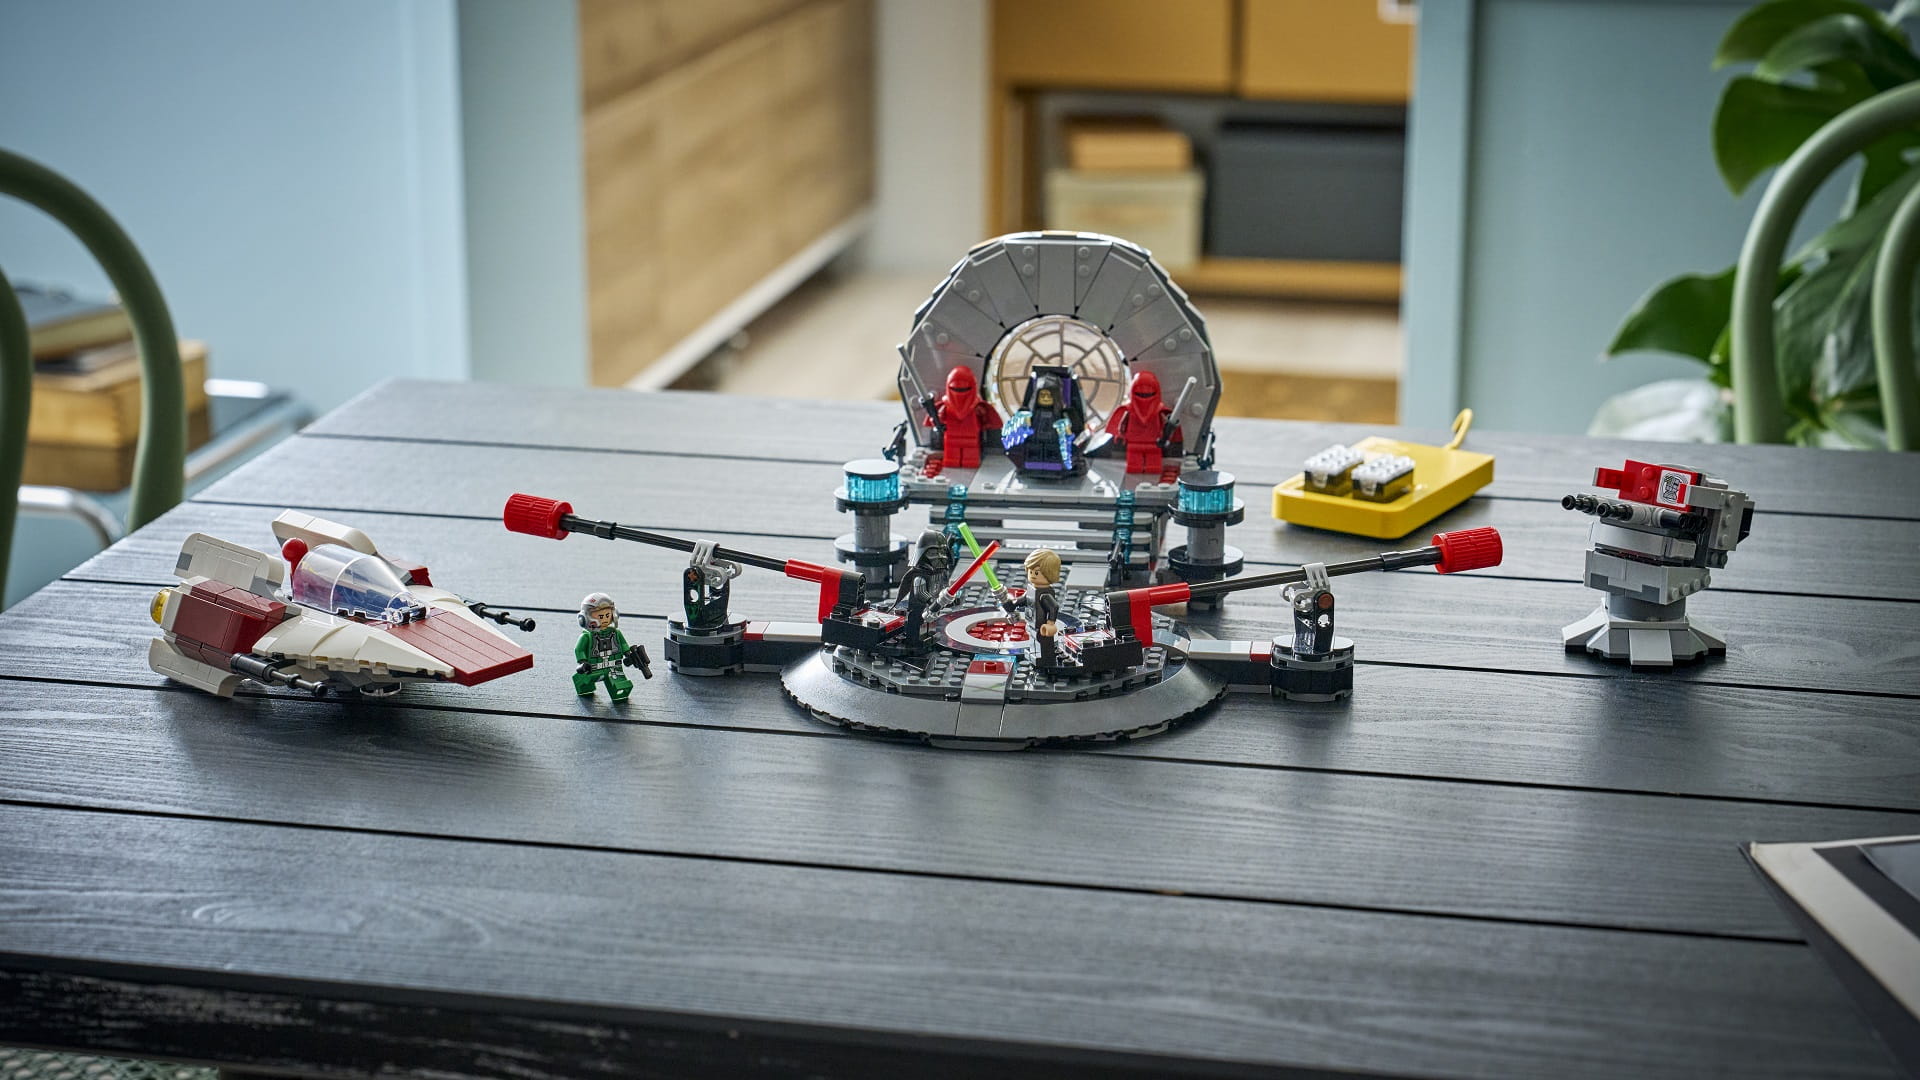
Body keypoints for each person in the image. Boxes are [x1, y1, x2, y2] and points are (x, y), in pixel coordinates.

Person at [573, 592, 653, 700]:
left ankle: (618, 693)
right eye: (601, 616)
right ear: (585, 618)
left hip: (613, 667)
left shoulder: (615, 633)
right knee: (585, 681)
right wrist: (583, 661)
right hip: (592, 668)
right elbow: (579, 649)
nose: (605, 619)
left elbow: (623, 645)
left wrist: (629, 654)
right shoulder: (587, 636)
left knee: (621, 686)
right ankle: (583, 686)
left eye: (607, 615)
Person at [925, 364, 1002, 469]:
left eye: (964, 389)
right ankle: (952, 461)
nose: (959, 393)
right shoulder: (945, 405)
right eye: (955, 388)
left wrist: (985, 423)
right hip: (951, 437)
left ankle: (969, 461)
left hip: (972, 438)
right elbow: (937, 418)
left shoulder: (977, 405)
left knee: (971, 456)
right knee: (951, 454)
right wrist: (936, 421)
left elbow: (985, 417)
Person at [1107, 370, 1183, 476]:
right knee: (1134, 465)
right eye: (1140, 392)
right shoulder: (1129, 409)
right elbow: (1119, 422)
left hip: (1154, 444)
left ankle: (1150, 468)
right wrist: (1119, 434)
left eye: (1148, 391)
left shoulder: (1159, 410)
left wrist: (1173, 437)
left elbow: (1173, 423)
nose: (1144, 395)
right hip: (1135, 443)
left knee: (1153, 465)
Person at [893, 529, 955, 645]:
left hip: (932, 608)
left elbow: (941, 588)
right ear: (923, 553)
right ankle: (914, 642)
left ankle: (927, 640)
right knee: (916, 626)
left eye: (942, 552)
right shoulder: (920, 576)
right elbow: (920, 592)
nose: (940, 556)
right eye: (933, 552)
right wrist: (931, 601)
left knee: (930, 626)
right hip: (919, 609)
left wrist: (948, 598)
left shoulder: (938, 574)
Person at [1021, 548, 1063, 667]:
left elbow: (1053, 607)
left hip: (1042, 627)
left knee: (1043, 643)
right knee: (1033, 639)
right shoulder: (1032, 590)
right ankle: (1035, 654)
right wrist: (1012, 603)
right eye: (1030, 571)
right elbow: (1023, 599)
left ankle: (1045, 659)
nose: (1032, 575)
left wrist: (1050, 623)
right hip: (1032, 623)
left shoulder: (1044, 594)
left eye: (1037, 573)